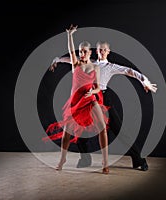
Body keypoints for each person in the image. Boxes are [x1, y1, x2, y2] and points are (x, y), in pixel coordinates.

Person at [50, 40, 157, 171]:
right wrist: (57, 59)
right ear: (96, 51)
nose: (101, 52)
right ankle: (85, 159)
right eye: (99, 49)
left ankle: (138, 160)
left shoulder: (111, 66)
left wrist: (144, 81)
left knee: (118, 130)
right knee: (80, 129)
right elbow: (71, 59)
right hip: (86, 98)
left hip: (103, 98)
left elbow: (129, 71)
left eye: (104, 50)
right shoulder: (90, 62)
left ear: (108, 51)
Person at [43, 25, 110, 174]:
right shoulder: (76, 64)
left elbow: (98, 87)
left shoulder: (95, 67)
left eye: (85, 51)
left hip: (90, 100)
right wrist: (70, 35)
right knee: (67, 133)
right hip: (75, 103)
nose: (82, 54)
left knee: (102, 128)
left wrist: (94, 90)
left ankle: (105, 163)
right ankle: (62, 160)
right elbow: (71, 50)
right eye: (80, 51)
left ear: (90, 52)